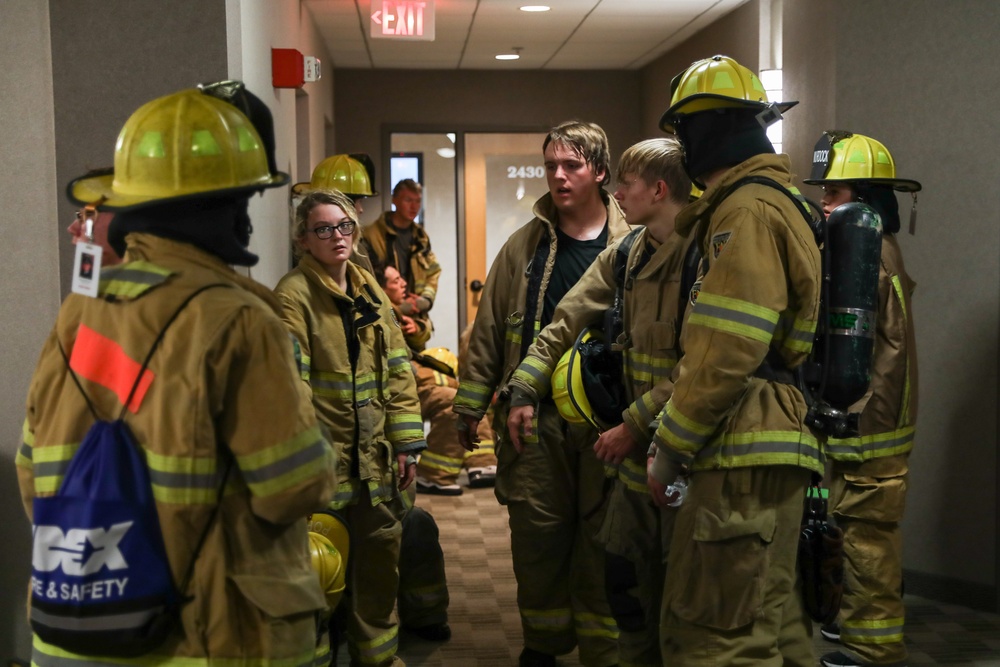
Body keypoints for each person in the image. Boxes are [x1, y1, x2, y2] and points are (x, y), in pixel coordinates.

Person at [17, 82, 338, 666]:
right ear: (227, 209)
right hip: (200, 641)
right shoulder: (240, 320)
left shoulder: (78, 314)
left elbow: (29, 472)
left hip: (76, 633)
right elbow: (290, 488)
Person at [649, 55, 823, 666]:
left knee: (717, 640)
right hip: (771, 437)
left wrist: (669, 444)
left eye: (685, 134)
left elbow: (727, 347)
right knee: (773, 625)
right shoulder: (775, 200)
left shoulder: (745, 210)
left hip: (740, 443)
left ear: (702, 132)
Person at [505, 137, 694, 666]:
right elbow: (563, 324)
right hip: (632, 459)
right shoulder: (627, 254)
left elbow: (702, 363)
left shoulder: (704, 256)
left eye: (626, 184)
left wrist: (635, 423)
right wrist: (525, 387)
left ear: (658, 190)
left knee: (687, 599)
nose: (616, 193)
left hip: (688, 451)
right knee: (627, 582)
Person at [455, 120, 630, 667]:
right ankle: (544, 645)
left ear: (599, 172)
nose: (558, 175)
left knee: (606, 539)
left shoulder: (634, 243)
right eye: (551, 164)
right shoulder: (524, 248)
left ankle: (604, 649)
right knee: (538, 537)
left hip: (610, 422)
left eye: (571, 165)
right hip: (535, 421)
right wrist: (470, 405)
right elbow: (488, 331)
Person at [275, 188, 426, 667]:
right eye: (323, 229)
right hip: (325, 470)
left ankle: (377, 659)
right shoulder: (292, 297)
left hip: (376, 465)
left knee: (380, 570)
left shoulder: (368, 288)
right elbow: (289, 390)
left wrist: (406, 444)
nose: (336, 237)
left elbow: (399, 369)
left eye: (343, 226)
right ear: (304, 239)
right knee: (319, 578)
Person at [803, 131, 920, 667]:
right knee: (850, 526)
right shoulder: (871, 247)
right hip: (866, 414)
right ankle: (855, 623)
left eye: (835, 192)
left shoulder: (865, 253)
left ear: (866, 196)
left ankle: (873, 647)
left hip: (871, 421)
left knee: (868, 532)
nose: (823, 204)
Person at [378, 265, 497, 493]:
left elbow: (425, 330)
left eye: (402, 277)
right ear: (381, 287)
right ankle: (433, 475)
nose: (404, 283)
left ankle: (482, 464)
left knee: (466, 395)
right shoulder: (380, 311)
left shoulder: (403, 308)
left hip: (415, 375)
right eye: (395, 280)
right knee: (453, 403)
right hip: (402, 382)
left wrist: (417, 327)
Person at [360, 179, 441, 318]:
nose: (414, 206)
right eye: (408, 200)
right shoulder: (371, 236)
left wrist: (425, 300)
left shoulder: (421, 238)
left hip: (415, 316)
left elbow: (433, 271)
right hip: (383, 315)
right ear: (394, 200)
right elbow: (366, 280)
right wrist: (399, 307)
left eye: (418, 201)